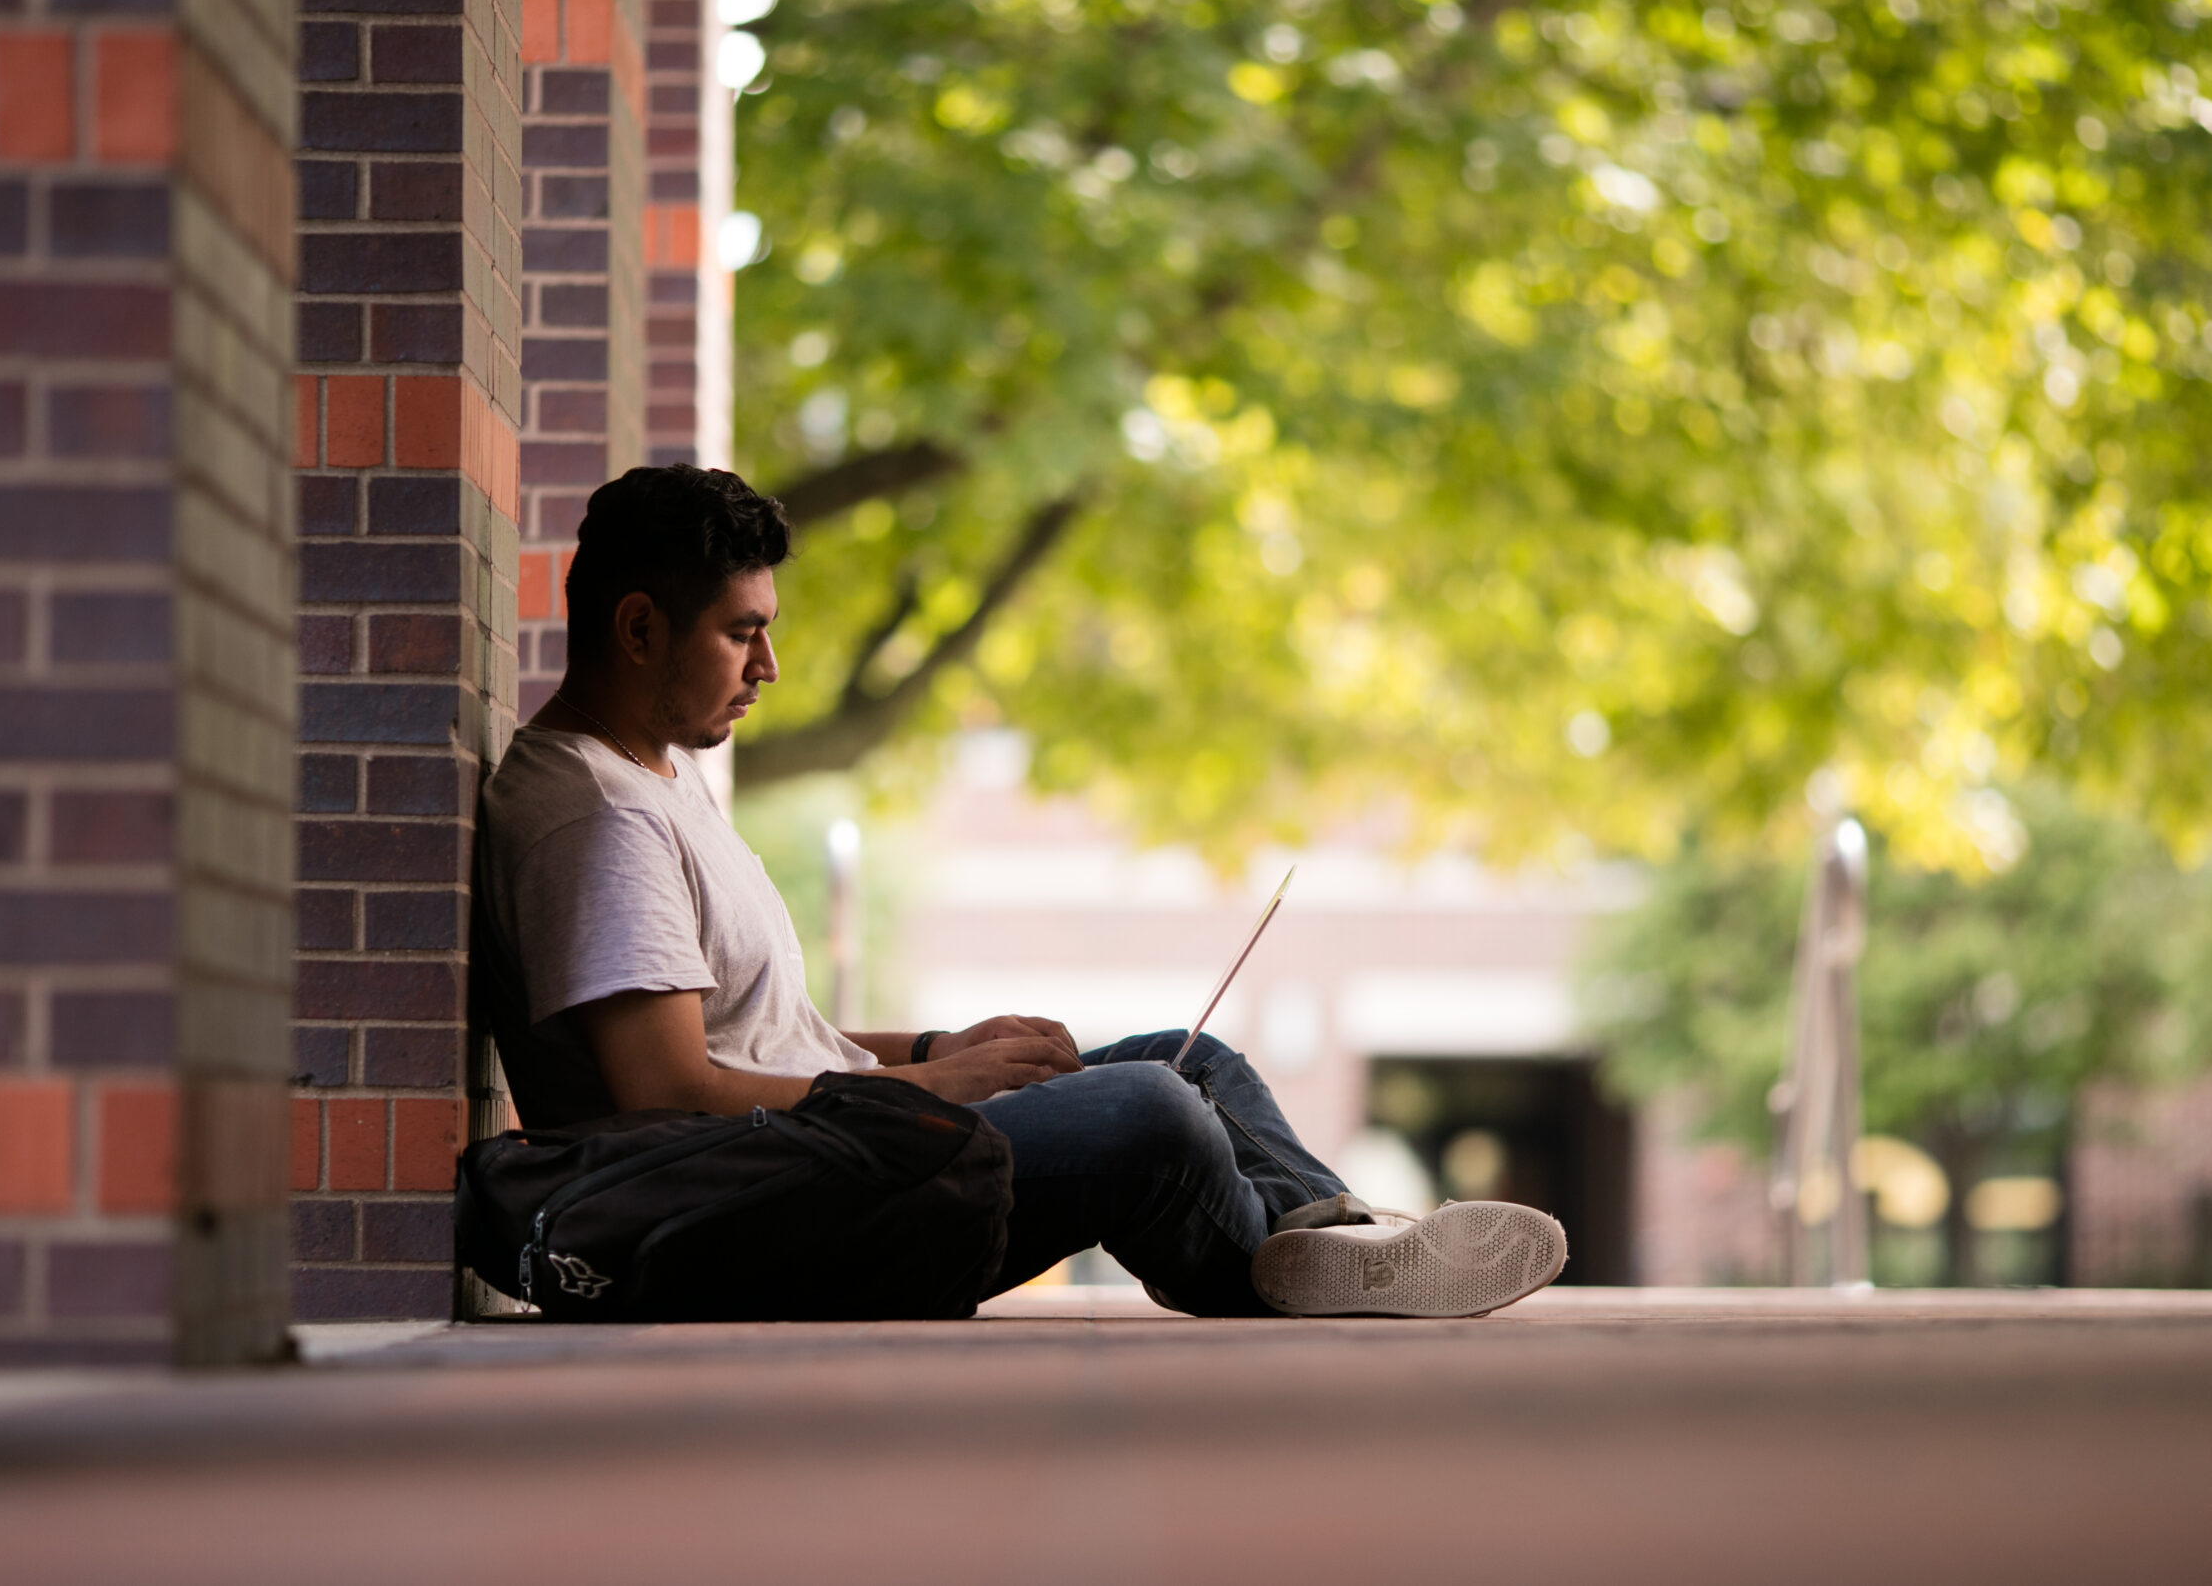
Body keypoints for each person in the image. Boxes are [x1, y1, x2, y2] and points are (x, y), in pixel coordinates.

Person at [472, 465, 1566, 1317]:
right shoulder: (597, 818)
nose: (768, 669)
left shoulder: (650, 779)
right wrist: (935, 1090)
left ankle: (1336, 1242)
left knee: (1183, 1059)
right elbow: (661, 1093)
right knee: (1149, 1111)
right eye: (742, 633)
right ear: (636, 628)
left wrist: (933, 1045)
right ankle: (1292, 1267)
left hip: (843, 1149)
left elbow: (755, 1037)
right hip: (784, 1205)